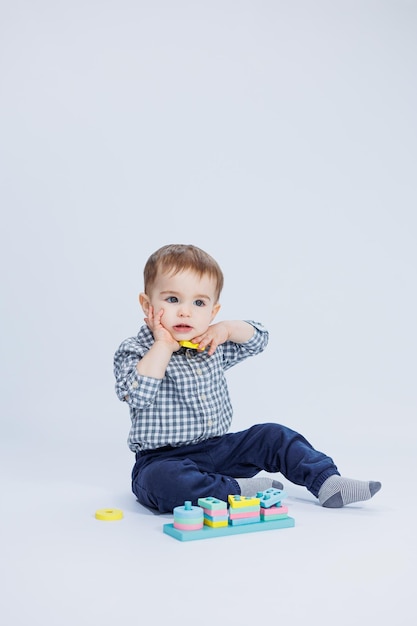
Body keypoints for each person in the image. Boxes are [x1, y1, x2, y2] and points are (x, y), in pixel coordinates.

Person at [114, 244, 381, 514]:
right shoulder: (136, 350)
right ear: (148, 305)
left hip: (220, 449)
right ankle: (234, 490)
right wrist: (162, 345)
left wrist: (227, 329)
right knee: (164, 483)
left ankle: (327, 481)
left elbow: (258, 340)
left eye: (199, 303)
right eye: (172, 300)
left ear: (212, 312)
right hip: (163, 459)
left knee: (273, 435)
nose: (185, 311)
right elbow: (138, 395)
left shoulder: (208, 344)